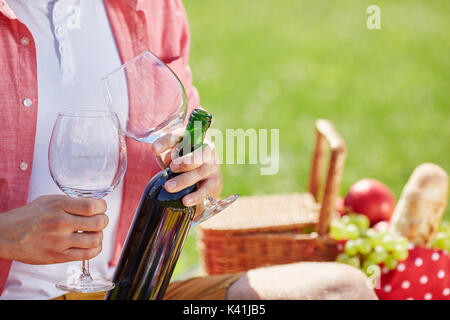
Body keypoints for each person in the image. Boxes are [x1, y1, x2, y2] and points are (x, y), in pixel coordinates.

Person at [0, 0, 377, 300]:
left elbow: (175, 135)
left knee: (343, 291)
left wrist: (196, 177)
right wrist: (6, 235)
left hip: (132, 290)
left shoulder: (154, 6)